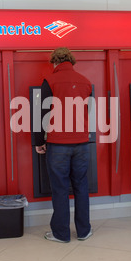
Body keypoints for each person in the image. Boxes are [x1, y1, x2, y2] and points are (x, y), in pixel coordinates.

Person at [34, 48, 93, 243]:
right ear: (71, 61)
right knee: (81, 186)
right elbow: (90, 112)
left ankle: (61, 234)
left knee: (60, 188)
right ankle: (84, 231)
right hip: (82, 144)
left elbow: (40, 113)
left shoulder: (50, 81)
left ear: (54, 62)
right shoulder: (86, 81)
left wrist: (39, 141)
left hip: (58, 144)